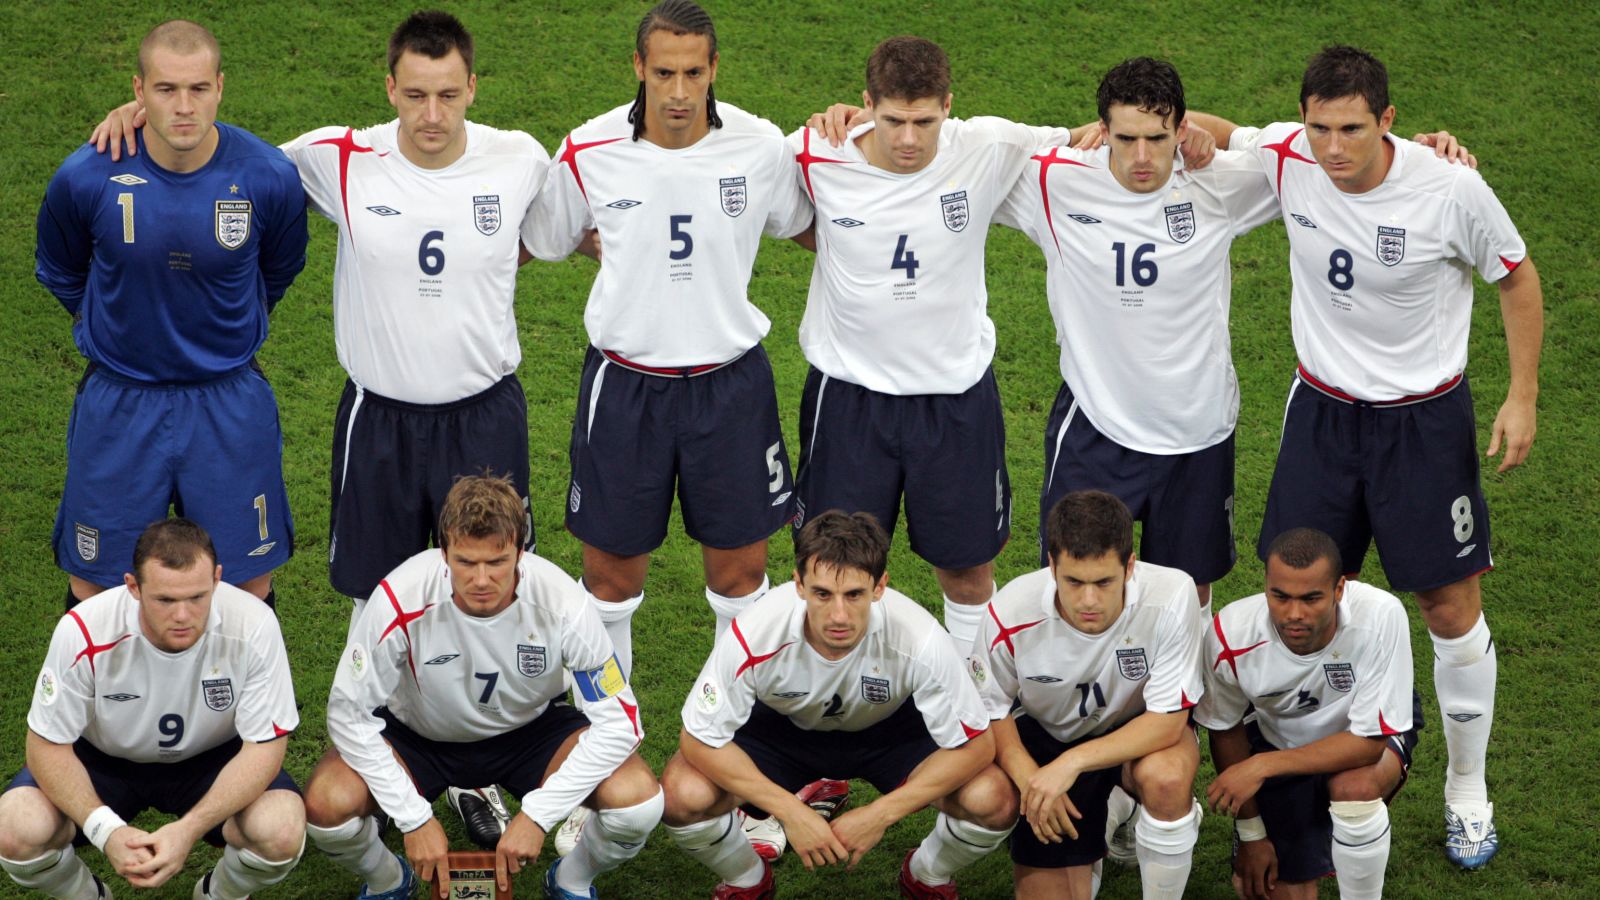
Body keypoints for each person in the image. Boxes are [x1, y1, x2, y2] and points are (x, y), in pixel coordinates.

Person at [91, 11, 555, 845]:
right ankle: (376, 771)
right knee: (373, 599)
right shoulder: (336, 155)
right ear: (390, 89)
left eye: (448, 95)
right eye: (414, 94)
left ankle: (480, 779)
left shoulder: (519, 157)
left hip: (485, 414)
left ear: (472, 89)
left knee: (489, 593)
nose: (432, 114)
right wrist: (147, 117)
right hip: (377, 418)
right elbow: (224, 155)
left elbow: (572, 229)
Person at [1189, 45, 1543, 868]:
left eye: (1351, 129)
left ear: (1388, 121)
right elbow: (1220, 131)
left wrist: (1520, 395)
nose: (1333, 149)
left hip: (1423, 426)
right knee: (1298, 593)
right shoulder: (1291, 154)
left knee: (1449, 610)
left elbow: (1516, 278)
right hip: (1321, 417)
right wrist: (1160, 133)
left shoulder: (1450, 187)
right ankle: (1304, 768)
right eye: (1319, 128)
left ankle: (1466, 790)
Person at [523, 0, 814, 682]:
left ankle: (730, 743)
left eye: (692, 73)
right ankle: (610, 741)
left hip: (730, 386)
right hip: (626, 388)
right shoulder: (589, 150)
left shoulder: (760, 145)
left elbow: (806, 225)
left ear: (714, 68)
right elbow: (542, 238)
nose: (679, 93)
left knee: (742, 576)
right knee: (610, 579)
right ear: (638, 68)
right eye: (663, 73)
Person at [786, 36, 1090, 653]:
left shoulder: (990, 146)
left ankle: (972, 708)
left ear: (949, 106)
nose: (907, 139)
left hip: (954, 402)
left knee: (967, 569)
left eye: (925, 121)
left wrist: (1182, 131)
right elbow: (780, 216)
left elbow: (1093, 140)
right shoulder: (818, 151)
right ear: (867, 105)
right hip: (849, 401)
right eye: (893, 120)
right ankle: (849, 708)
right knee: (837, 569)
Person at [995, 58, 1280, 611]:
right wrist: (856, 121)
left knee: (1189, 592)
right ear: (1102, 131)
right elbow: (946, 152)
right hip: (1096, 428)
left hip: (1198, 432)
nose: (1143, 157)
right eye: (1126, 138)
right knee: (1076, 584)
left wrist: (1428, 154)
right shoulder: (1056, 180)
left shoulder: (1218, 180)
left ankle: (1181, 698)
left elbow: (1327, 158)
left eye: (1158, 137)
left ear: (1181, 130)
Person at [42, 19, 307, 613]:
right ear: (138, 89)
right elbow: (61, 269)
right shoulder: (85, 176)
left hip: (227, 403)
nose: (183, 107)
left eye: (197, 89)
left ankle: (234, 709)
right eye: (165, 90)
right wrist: (105, 323)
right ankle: (109, 708)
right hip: (120, 402)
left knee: (245, 584)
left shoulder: (266, 176)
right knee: (97, 585)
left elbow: (279, 270)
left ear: (220, 86)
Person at [301, 474, 662, 900]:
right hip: (418, 737)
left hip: (530, 734)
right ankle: (388, 882)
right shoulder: (399, 599)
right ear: (444, 551)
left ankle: (571, 882)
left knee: (638, 804)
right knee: (327, 807)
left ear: (520, 552)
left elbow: (621, 723)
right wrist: (413, 818)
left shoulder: (565, 605)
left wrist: (537, 817)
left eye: (497, 562)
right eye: (466, 562)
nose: (481, 580)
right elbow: (347, 714)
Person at [660, 510, 1016, 899]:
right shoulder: (756, 631)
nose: (839, 616)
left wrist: (881, 814)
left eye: (855, 594)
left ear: (880, 587)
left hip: (890, 732)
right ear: (798, 584)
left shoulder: (920, 637)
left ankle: (926, 874)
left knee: (992, 800)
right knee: (683, 794)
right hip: (782, 730)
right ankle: (747, 878)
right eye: (823, 594)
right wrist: (789, 811)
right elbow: (697, 739)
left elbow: (978, 745)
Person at [0, 518, 304, 900]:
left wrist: (189, 830)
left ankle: (216, 895)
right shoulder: (83, 629)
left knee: (281, 830)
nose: (183, 616)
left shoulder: (254, 625)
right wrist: (105, 830)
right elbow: (46, 747)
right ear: (133, 587)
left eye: (197, 597)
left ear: (217, 579)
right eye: (165, 600)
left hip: (213, 761)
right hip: (101, 763)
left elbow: (265, 749)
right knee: (14, 830)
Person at [973, 491, 1205, 900]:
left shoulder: (1172, 595)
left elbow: (1169, 720)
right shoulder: (1009, 611)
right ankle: (1114, 809)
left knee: (1166, 779)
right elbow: (991, 711)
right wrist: (1033, 781)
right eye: (1074, 582)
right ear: (1052, 567)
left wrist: (1073, 763)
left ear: (1130, 567)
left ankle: (1125, 804)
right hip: (1046, 737)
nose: (1089, 600)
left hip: (1136, 733)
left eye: (1104, 582)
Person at [1197, 528, 1420, 900]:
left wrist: (1262, 767)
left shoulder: (1380, 616)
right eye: (1279, 596)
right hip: (1273, 734)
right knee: (1263, 888)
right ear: (1265, 587)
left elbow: (1368, 745)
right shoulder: (1230, 635)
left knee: (1355, 790)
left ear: (1339, 590)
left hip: (1363, 731)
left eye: (1311, 598)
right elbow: (1226, 729)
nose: (1294, 614)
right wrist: (1252, 833)